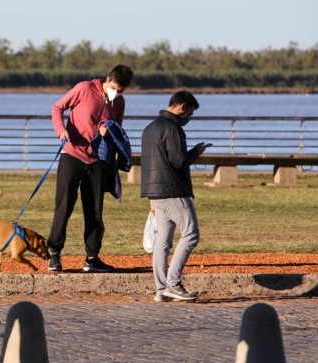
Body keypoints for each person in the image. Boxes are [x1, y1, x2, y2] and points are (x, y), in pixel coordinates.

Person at [48, 64, 134, 273]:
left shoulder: (119, 102)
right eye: (114, 87)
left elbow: (118, 130)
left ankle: (92, 257)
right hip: (72, 154)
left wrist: (108, 132)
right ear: (107, 80)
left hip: (98, 161)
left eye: (121, 91)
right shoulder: (85, 88)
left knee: (95, 210)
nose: (116, 93)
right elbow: (57, 108)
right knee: (64, 205)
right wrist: (61, 131)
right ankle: (54, 253)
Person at [140, 90, 209, 302]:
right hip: (173, 190)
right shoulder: (173, 128)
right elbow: (179, 161)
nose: (188, 118)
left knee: (163, 240)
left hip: (155, 192)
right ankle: (173, 283)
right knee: (191, 233)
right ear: (181, 107)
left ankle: (161, 289)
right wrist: (196, 152)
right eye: (189, 113)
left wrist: (151, 195)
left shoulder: (150, 128)